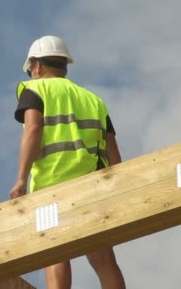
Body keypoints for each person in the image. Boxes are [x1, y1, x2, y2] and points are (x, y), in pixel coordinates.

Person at [8, 36, 126, 289]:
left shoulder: (35, 90)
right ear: (65, 66)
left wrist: (20, 180)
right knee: (103, 257)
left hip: (52, 186)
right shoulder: (93, 100)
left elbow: (33, 129)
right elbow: (111, 146)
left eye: (30, 70)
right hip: (94, 184)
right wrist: (121, 183)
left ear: (37, 66)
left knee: (55, 251)